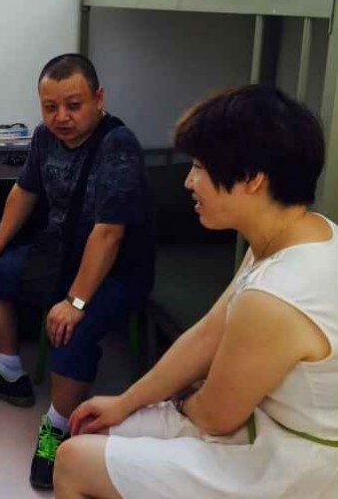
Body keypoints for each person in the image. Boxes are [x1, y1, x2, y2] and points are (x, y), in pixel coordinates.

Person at [57, 85, 338, 498]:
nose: (189, 181)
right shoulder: (297, 234)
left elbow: (215, 416)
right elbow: (209, 333)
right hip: (264, 425)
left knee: (72, 460)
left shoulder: (276, 297)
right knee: (101, 427)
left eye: (201, 167)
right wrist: (127, 401)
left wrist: (178, 401)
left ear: (253, 179)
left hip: (293, 465)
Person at [0, 53, 155, 489]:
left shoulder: (117, 146)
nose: (61, 117)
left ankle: (57, 426)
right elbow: (24, 192)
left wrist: (75, 301)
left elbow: (109, 234)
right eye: (50, 107)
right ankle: (10, 372)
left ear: (99, 99)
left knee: (71, 329)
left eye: (73, 105)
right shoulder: (44, 138)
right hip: (58, 256)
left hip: (117, 271)